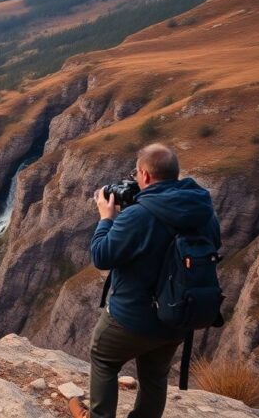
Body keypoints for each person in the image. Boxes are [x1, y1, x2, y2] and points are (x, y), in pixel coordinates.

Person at [68, 143, 221, 418]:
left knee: (103, 359)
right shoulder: (204, 213)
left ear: (146, 175)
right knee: (154, 376)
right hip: (176, 316)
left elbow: (101, 256)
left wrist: (106, 219)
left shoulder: (138, 215)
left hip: (131, 316)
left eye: (136, 173)